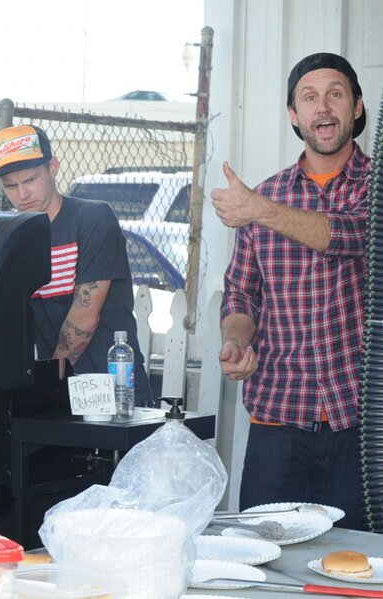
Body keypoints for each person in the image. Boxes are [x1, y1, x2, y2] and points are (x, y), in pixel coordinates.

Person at [212, 52, 369, 530]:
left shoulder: (374, 186)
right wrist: (236, 339)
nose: (323, 108)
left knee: (356, 565)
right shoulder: (267, 193)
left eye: (335, 95)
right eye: (309, 97)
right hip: (277, 417)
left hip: (359, 421)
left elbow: (349, 235)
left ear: (357, 108)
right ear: (293, 115)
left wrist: (259, 209)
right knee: (264, 562)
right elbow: (241, 292)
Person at [0, 125, 151, 406]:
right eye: (10, 185)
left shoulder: (93, 218)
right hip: (58, 388)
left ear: (53, 167)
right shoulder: (12, 234)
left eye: (30, 179)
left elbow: (85, 314)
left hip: (112, 385)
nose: (22, 193)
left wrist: (49, 386)